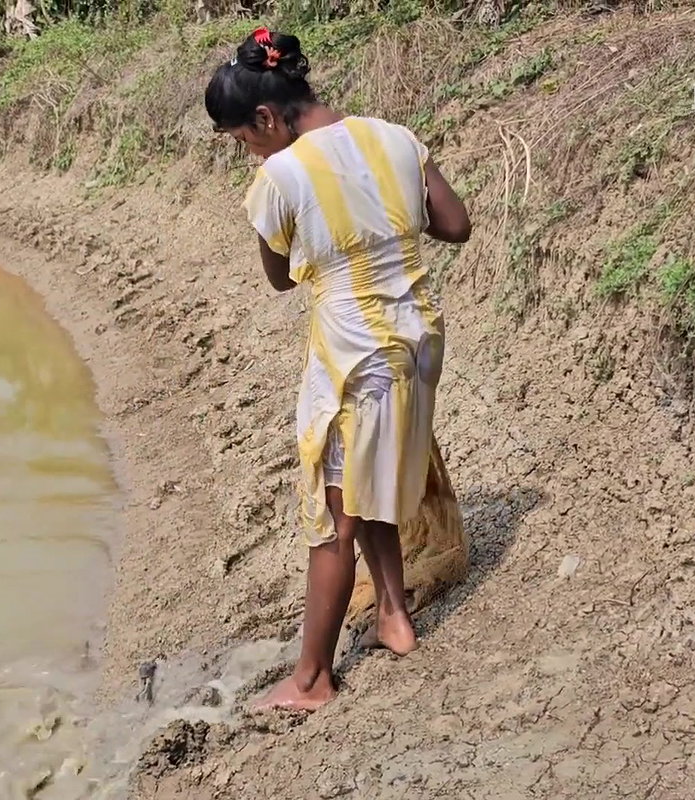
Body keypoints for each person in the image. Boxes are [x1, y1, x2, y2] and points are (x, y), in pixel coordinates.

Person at [205, 27, 472, 712]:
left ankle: (311, 679)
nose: (248, 152)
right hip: (420, 340)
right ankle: (393, 615)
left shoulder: (281, 175)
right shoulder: (394, 135)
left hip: (357, 358)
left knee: (334, 516)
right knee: (367, 480)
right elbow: (455, 224)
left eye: (243, 139)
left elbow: (278, 279)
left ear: (265, 117)